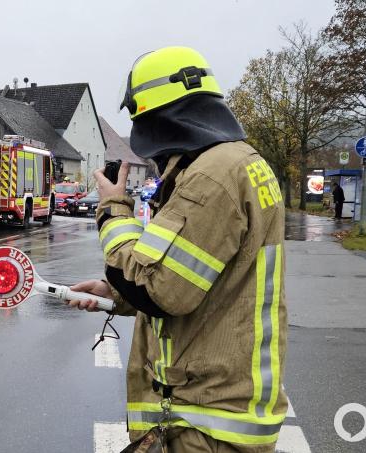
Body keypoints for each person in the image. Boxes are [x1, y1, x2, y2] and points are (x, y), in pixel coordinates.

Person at [67, 46, 287, 452]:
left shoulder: (211, 177)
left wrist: (114, 210)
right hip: (215, 412)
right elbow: (198, 277)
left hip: (205, 422)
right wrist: (114, 293)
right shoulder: (237, 164)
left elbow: (158, 290)